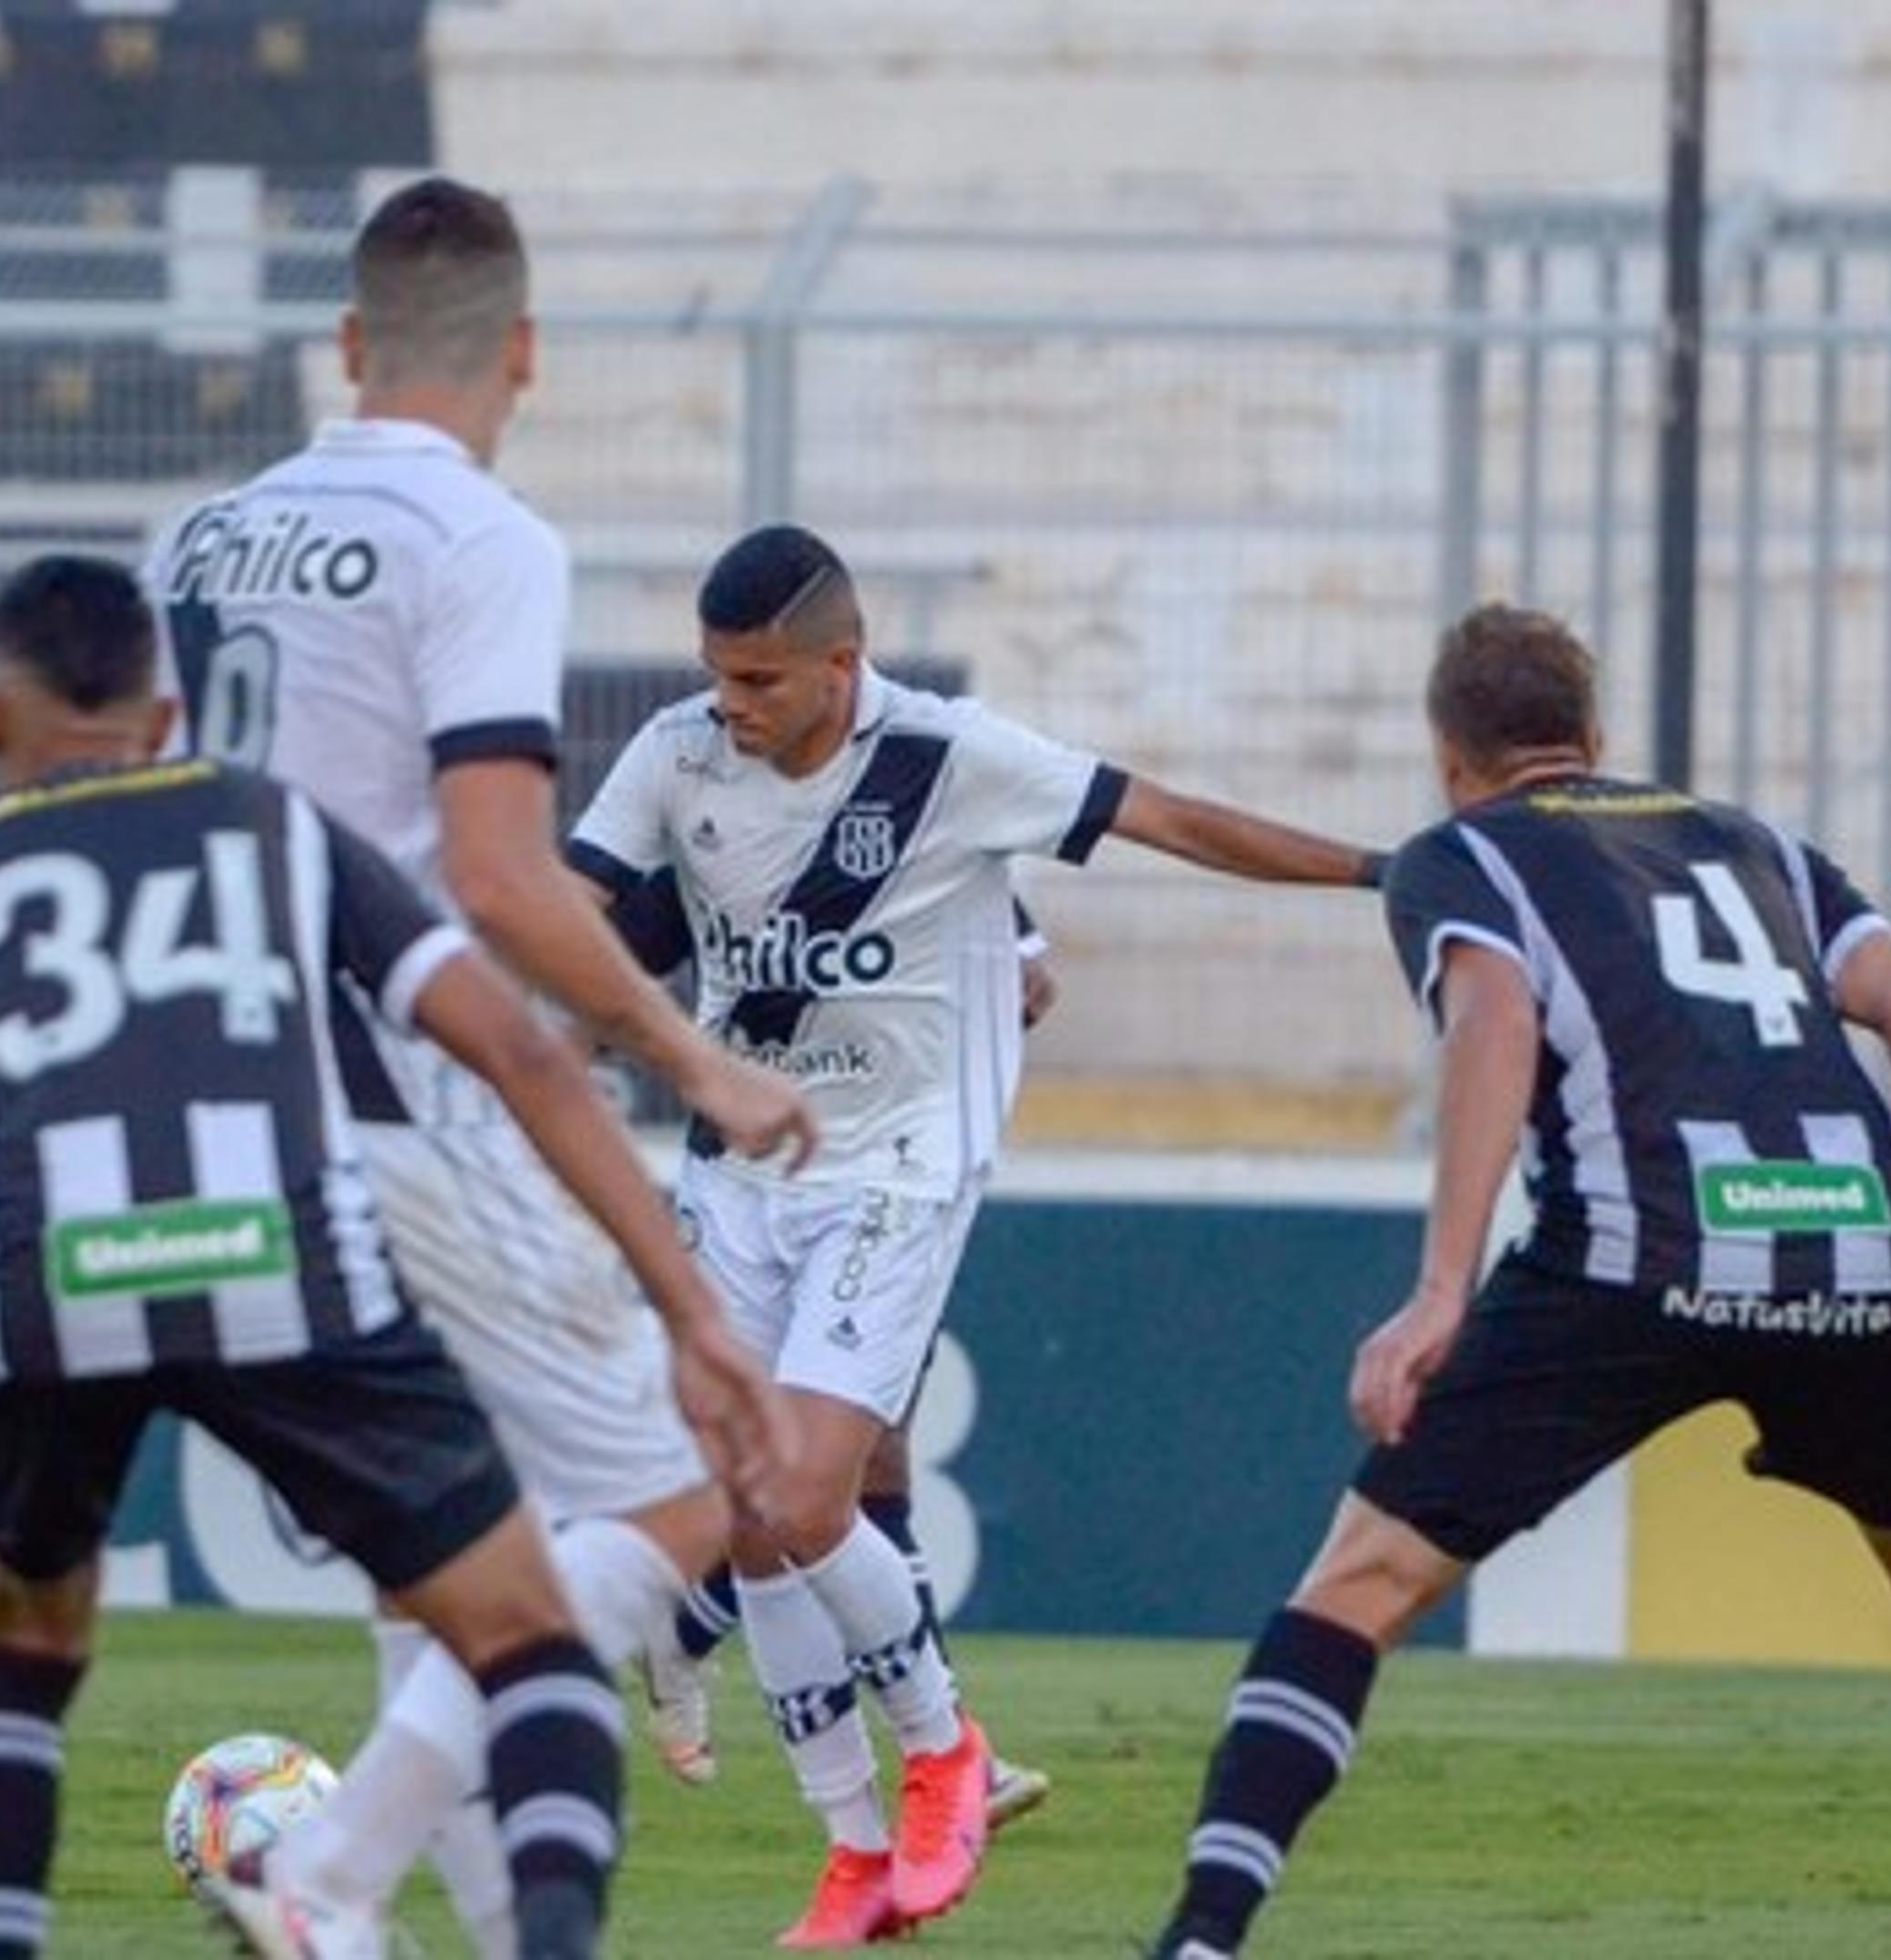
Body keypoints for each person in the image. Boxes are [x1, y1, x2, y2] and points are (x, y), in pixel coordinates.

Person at [0, 556, 790, 1960]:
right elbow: (516, 1058)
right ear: (169, 713)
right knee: (526, 1636)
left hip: (39, 1288)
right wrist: (694, 1318)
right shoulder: (276, 828)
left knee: (24, 1655)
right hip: (274, 1258)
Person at [1146, 603, 1891, 1960]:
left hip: (1636, 1251)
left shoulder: (1463, 859)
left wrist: (1442, 1287)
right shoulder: (1756, 845)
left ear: (1451, 757)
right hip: (1849, 1241)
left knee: (1364, 1579)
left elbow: (1494, 1022)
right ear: (1597, 734)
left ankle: (1206, 1936)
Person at [142, 176, 823, 1955]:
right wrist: (698, 1061)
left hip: (213, 1107)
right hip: (407, 1103)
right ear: (524, 349)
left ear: (349, 346)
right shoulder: (482, 540)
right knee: (683, 1503)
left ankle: (371, 1919)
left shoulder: (198, 543)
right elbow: (504, 874)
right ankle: (323, 1873)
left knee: (431, 1566)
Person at [567, 524, 1383, 1946]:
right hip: (733, 1178)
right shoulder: (676, 754)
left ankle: (947, 1749)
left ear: (843, 661)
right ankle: (852, 1848)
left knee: (808, 1494)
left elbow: (1174, 821)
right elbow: (570, 918)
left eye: (759, 680)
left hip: (895, 1171)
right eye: (717, 677)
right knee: (753, 1513)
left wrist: (1383, 873)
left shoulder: (953, 757)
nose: (731, 706)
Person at [612, 865, 1060, 1835]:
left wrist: (987, 988)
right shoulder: (709, 813)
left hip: (890, 1179)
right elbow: (600, 956)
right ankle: (928, 1754)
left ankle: (699, 1634)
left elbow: (1030, 973)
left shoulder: (922, 810)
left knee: (851, 1465)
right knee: (797, 1480)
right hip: (757, 1188)